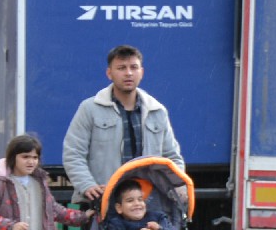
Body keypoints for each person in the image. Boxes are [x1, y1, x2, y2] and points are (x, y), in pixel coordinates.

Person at [62, 45, 184, 206]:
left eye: (134, 67)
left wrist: (179, 186)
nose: (128, 73)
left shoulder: (157, 111)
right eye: (121, 68)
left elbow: (172, 157)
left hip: (147, 203)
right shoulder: (90, 108)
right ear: (109, 73)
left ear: (142, 72)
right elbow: (73, 153)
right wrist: (87, 185)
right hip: (103, 200)